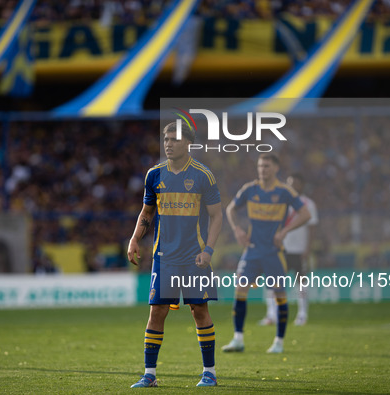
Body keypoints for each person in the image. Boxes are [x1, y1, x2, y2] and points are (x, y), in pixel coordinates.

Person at [127, 122, 223, 387]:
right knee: (156, 312)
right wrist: (135, 239)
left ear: (188, 143)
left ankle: (210, 373)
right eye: (166, 139)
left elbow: (217, 216)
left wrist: (209, 250)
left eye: (174, 140)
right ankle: (150, 374)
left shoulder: (204, 175)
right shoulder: (154, 175)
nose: (168, 144)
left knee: (198, 310)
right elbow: (147, 213)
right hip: (164, 257)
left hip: (195, 258)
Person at [222, 154, 310, 354]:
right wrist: (237, 229)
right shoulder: (250, 189)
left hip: (273, 252)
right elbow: (230, 209)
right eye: (260, 166)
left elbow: (306, 214)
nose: (263, 170)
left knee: (280, 296)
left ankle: (279, 342)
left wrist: (285, 231)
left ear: (276, 168)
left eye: (267, 166)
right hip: (252, 251)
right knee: (240, 291)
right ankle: (238, 339)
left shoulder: (284, 192)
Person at [259, 173, 318, 327]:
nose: (292, 186)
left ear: (302, 185)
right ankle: (272, 315)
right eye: (290, 183)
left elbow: (312, 229)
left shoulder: (308, 204)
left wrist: (308, 249)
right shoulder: (280, 201)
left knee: (301, 283)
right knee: (272, 282)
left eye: (296, 183)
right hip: (280, 249)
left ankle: (302, 315)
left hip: (299, 250)